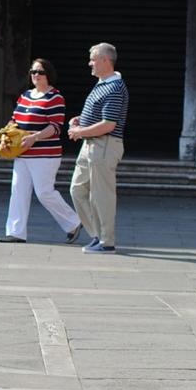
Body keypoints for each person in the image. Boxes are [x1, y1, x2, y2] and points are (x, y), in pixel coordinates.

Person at [0, 59, 82, 244]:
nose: (35, 75)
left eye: (40, 72)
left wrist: (35, 137)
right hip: (22, 153)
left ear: (48, 75)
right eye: (33, 71)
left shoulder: (55, 98)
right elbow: (14, 120)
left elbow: (56, 126)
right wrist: (5, 135)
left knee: (44, 192)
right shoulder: (25, 95)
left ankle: (74, 222)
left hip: (45, 154)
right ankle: (15, 232)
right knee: (18, 190)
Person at [68, 42, 129, 254]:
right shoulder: (103, 84)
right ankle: (98, 235)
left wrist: (79, 132)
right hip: (91, 144)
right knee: (77, 189)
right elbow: (101, 117)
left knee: (102, 195)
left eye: (93, 58)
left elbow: (109, 124)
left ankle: (107, 241)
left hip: (104, 145)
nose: (90, 63)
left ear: (105, 60)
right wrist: (81, 121)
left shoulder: (114, 87)